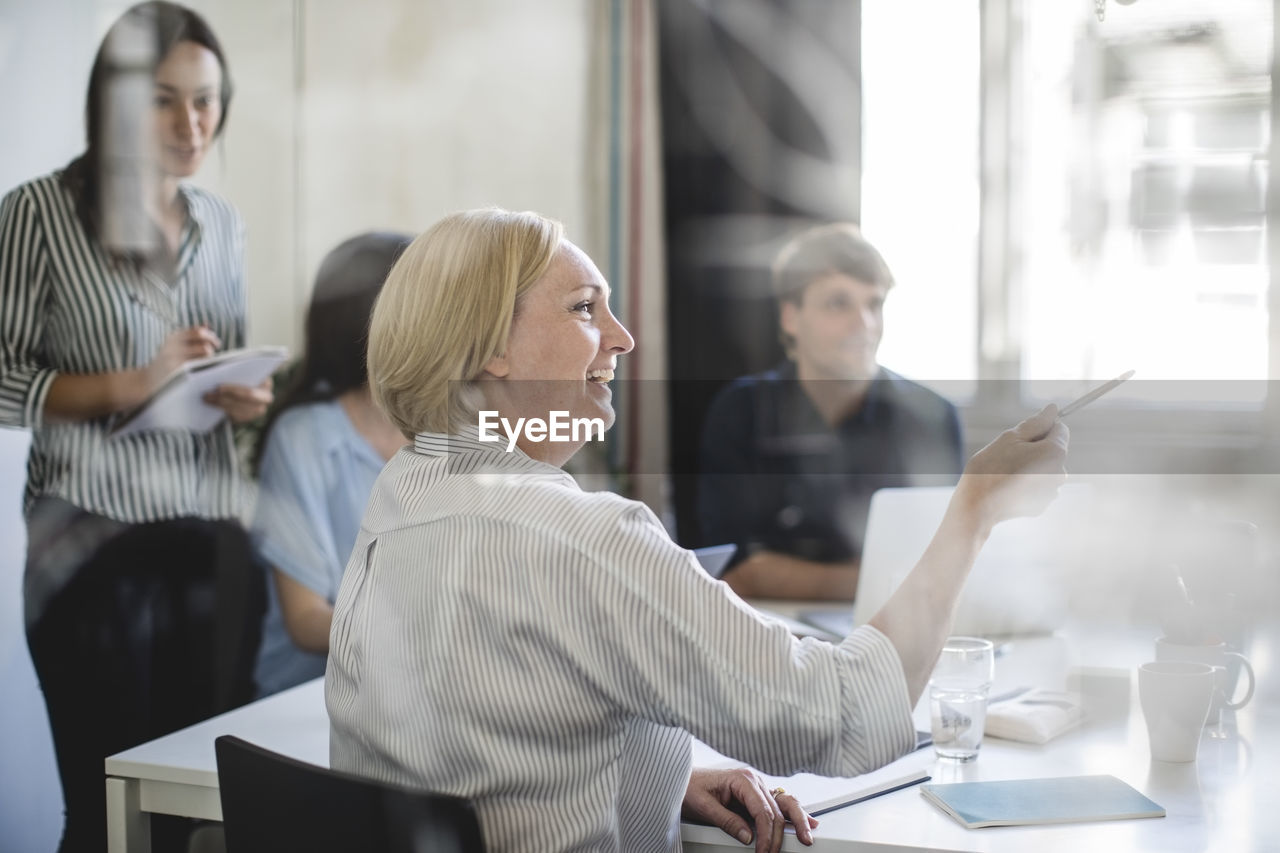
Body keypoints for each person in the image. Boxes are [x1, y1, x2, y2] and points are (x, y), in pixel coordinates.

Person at [325, 208, 1069, 852]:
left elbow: (476, 731)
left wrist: (662, 775)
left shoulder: (402, 493)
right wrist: (974, 510)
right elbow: (844, 715)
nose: (622, 339)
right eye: (585, 308)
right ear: (490, 342)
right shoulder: (588, 537)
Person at [0, 4, 270, 850]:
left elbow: (216, 365)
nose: (193, 124)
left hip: (207, 540)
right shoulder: (38, 214)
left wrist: (241, 395)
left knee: (200, 807)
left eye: (207, 100)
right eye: (164, 100)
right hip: (85, 548)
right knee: (108, 804)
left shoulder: (221, 224)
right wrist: (134, 381)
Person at [698, 223, 964, 601]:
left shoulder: (932, 417)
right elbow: (733, 571)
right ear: (791, 317)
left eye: (874, 304)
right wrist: (878, 580)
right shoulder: (741, 412)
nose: (865, 325)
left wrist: (781, 574)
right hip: (767, 635)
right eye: (839, 303)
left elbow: (943, 567)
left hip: (891, 630)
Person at [250, 232, 410, 697]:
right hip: (308, 699)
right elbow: (305, 620)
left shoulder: (449, 430)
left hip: (411, 697)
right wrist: (420, 645)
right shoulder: (305, 437)